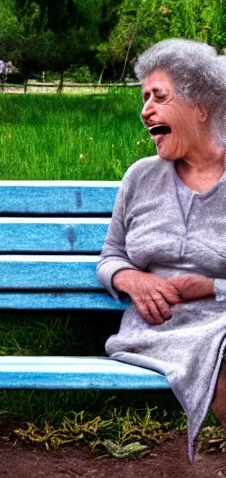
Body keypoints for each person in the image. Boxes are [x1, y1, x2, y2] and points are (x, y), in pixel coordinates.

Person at [97, 38, 226, 462]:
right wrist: (132, 279)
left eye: (159, 96)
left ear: (201, 106)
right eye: (144, 98)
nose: (146, 109)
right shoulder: (139, 178)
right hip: (155, 330)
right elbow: (110, 256)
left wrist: (211, 287)